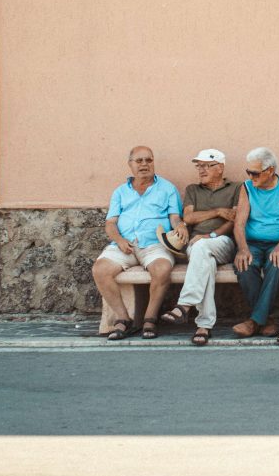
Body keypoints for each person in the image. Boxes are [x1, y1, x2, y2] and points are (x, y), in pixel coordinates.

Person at [91, 146, 187, 341]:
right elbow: (110, 223)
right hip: (124, 244)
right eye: (139, 161)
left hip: (154, 244)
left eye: (149, 160)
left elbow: (175, 217)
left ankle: (150, 319)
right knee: (100, 270)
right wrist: (119, 240)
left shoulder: (167, 188)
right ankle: (123, 319)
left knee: (161, 269)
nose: (145, 164)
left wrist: (181, 226)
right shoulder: (120, 192)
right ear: (130, 164)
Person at [158, 149, 240, 346]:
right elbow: (189, 218)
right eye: (199, 166)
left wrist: (210, 234)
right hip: (196, 246)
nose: (201, 170)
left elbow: (234, 220)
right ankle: (204, 325)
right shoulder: (193, 190)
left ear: (220, 168)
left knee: (202, 247)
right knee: (206, 261)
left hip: (223, 242)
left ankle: (185, 304)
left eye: (206, 166)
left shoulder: (237, 188)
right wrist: (219, 211)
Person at [232, 147, 279, 338]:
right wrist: (243, 249)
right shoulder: (246, 187)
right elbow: (239, 223)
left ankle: (253, 322)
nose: (251, 176)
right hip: (252, 242)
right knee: (244, 265)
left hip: (278, 243)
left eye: (255, 173)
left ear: (270, 171)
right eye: (248, 172)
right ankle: (266, 321)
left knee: (278, 264)